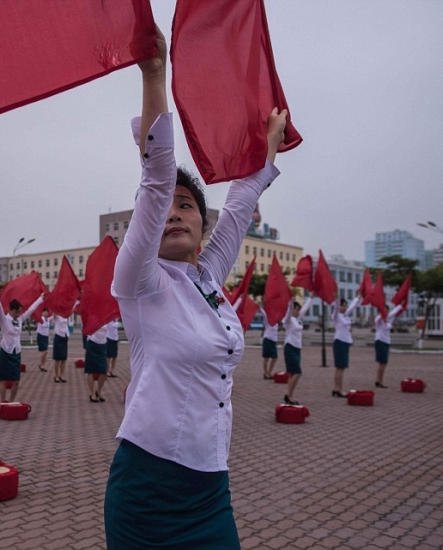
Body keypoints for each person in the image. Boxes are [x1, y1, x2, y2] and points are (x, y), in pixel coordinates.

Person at [104, 26, 286, 549]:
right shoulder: (138, 281)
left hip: (210, 487)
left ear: (200, 226)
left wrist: (267, 144)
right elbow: (157, 181)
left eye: (187, 207)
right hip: (148, 489)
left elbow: (239, 205)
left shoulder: (208, 280)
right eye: (165, 209)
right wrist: (155, 73)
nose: (173, 214)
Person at [0, 287, 44, 403]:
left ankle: (12, 401)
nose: (19, 314)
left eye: (20, 312)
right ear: (10, 310)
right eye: (17, 311)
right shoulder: (4, 319)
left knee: (16, 380)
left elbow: (31, 310)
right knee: (3, 380)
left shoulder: (20, 319)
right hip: (6, 351)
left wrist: (40, 299)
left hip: (16, 352)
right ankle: (3, 401)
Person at [283, 297, 312, 405]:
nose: (298, 311)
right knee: (298, 373)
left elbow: (305, 309)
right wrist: (290, 302)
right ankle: (289, 395)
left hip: (297, 348)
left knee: (292, 374)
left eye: (299, 309)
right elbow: (289, 311)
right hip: (290, 347)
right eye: (296, 309)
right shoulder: (288, 320)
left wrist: (311, 297)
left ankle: (289, 395)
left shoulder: (298, 320)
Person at [331, 295, 361, 397]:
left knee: (341, 367)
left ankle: (336, 388)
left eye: (345, 306)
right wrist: (336, 299)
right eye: (342, 306)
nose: (344, 307)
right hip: (340, 342)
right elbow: (335, 308)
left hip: (345, 342)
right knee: (340, 367)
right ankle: (339, 389)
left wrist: (358, 297)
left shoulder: (345, 316)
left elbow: (352, 306)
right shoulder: (336, 316)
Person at [374, 303, 404, 388]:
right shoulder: (378, 318)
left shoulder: (388, 318)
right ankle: (378, 381)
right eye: (384, 310)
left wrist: (401, 304)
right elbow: (379, 319)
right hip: (380, 341)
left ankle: (379, 380)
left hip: (386, 341)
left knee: (384, 363)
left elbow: (394, 311)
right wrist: (382, 313)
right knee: (382, 362)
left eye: (387, 310)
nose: (386, 312)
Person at [51, 301, 78, 384]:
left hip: (65, 336)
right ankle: (56, 375)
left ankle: (62, 375)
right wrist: (55, 311)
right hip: (58, 336)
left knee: (63, 358)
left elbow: (72, 309)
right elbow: (52, 318)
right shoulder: (56, 315)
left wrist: (76, 301)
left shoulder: (65, 315)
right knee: (57, 358)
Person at [85, 323, 109, 402]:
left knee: (104, 370)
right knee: (90, 370)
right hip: (92, 343)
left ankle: (99, 391)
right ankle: (92, 393)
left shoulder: (106, 318)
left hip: (103, 344)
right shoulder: (92, 315)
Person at [259, 303, 279, 380]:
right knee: (266, 358)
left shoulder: (276, 322)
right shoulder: (268, 320)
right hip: (267, 339)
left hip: (273, 341)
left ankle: (269, 372)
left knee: (275, 357)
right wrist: (261, 308)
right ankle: (266, 373)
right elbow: (264, 315)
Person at [36, 307, 52, 372]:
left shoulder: (47, 319)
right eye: (44, 312)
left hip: (46, 337)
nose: (46, 313)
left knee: (45, 352)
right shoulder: (40, 319)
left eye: (47, 312)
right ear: (42, 313)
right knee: (44, 351)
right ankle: (41, 364)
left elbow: (53, 316)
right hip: (41, 336)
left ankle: (42, 365)